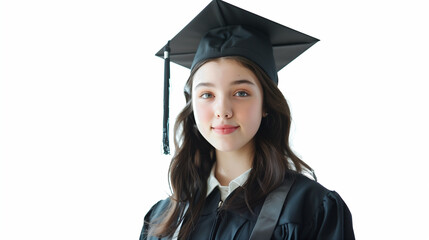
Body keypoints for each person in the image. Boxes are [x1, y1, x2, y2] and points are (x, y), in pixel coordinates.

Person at [140, 0, 355, 239]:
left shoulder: (311, 208)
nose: (222, 110)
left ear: (266, 104)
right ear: (192, 106)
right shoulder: (163, 218)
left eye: (241, 93)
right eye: (207, 94)